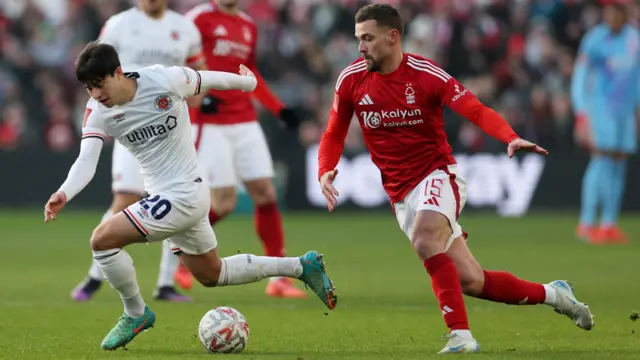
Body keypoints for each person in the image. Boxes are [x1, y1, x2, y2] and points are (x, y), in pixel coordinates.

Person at [317, 4, 593, 354]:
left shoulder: (425, 73)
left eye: (368, 39)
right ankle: (556, 294)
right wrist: (325, 167)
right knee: (473, 281)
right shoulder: (351, 79)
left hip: (437, 174)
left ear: (392, 37)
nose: (361, 47)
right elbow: (333, 133)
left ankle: (460, 335)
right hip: (400, 194)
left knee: (424, 239)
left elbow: (474, 109)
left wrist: (509, 136)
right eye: (359, 39)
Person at [45, 42, 337, 351]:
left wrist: (248, 83)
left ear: (117, 72)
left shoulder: (162, 80)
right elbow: (86, 161)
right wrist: (65, 191)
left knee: (101, 240)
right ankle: (302, 267)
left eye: (99, 83)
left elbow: (208, 78)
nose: (95, 93)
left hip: (184, 193)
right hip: (171, 198)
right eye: (88, 87)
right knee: (213, 274)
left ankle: (136, 313)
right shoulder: (98, 113)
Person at [71, 0, 205, 302]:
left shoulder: (185, 28)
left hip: (169, 126)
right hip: (130, 126)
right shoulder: (119, 25)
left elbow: (198, 70)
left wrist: (199, 96)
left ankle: (165, 284)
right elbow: (96, 68)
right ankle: (95, 276)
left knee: (174, 198)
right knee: (124, 199)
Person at [179, 0, 306, 299]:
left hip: (245, 120)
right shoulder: (197, 19)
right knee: (223, 202)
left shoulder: (248, 25)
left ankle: (279, 279)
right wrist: (196, 96)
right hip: (210, 122)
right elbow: (180, 65)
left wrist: (279, 109)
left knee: (265, 192)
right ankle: (184, 253)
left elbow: (251, 74)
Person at [571, 1, 639, 244]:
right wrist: (581, 112)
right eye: (609, 11)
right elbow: (580, 77)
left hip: (626, 110)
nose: (612, 16)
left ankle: (609, 223)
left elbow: (637, 76)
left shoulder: (634, 39)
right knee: (601, 159)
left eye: (617, 11)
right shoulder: (595, 40)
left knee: (619, 162)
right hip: (599, 107)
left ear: (624, 14)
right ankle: (587, 223)